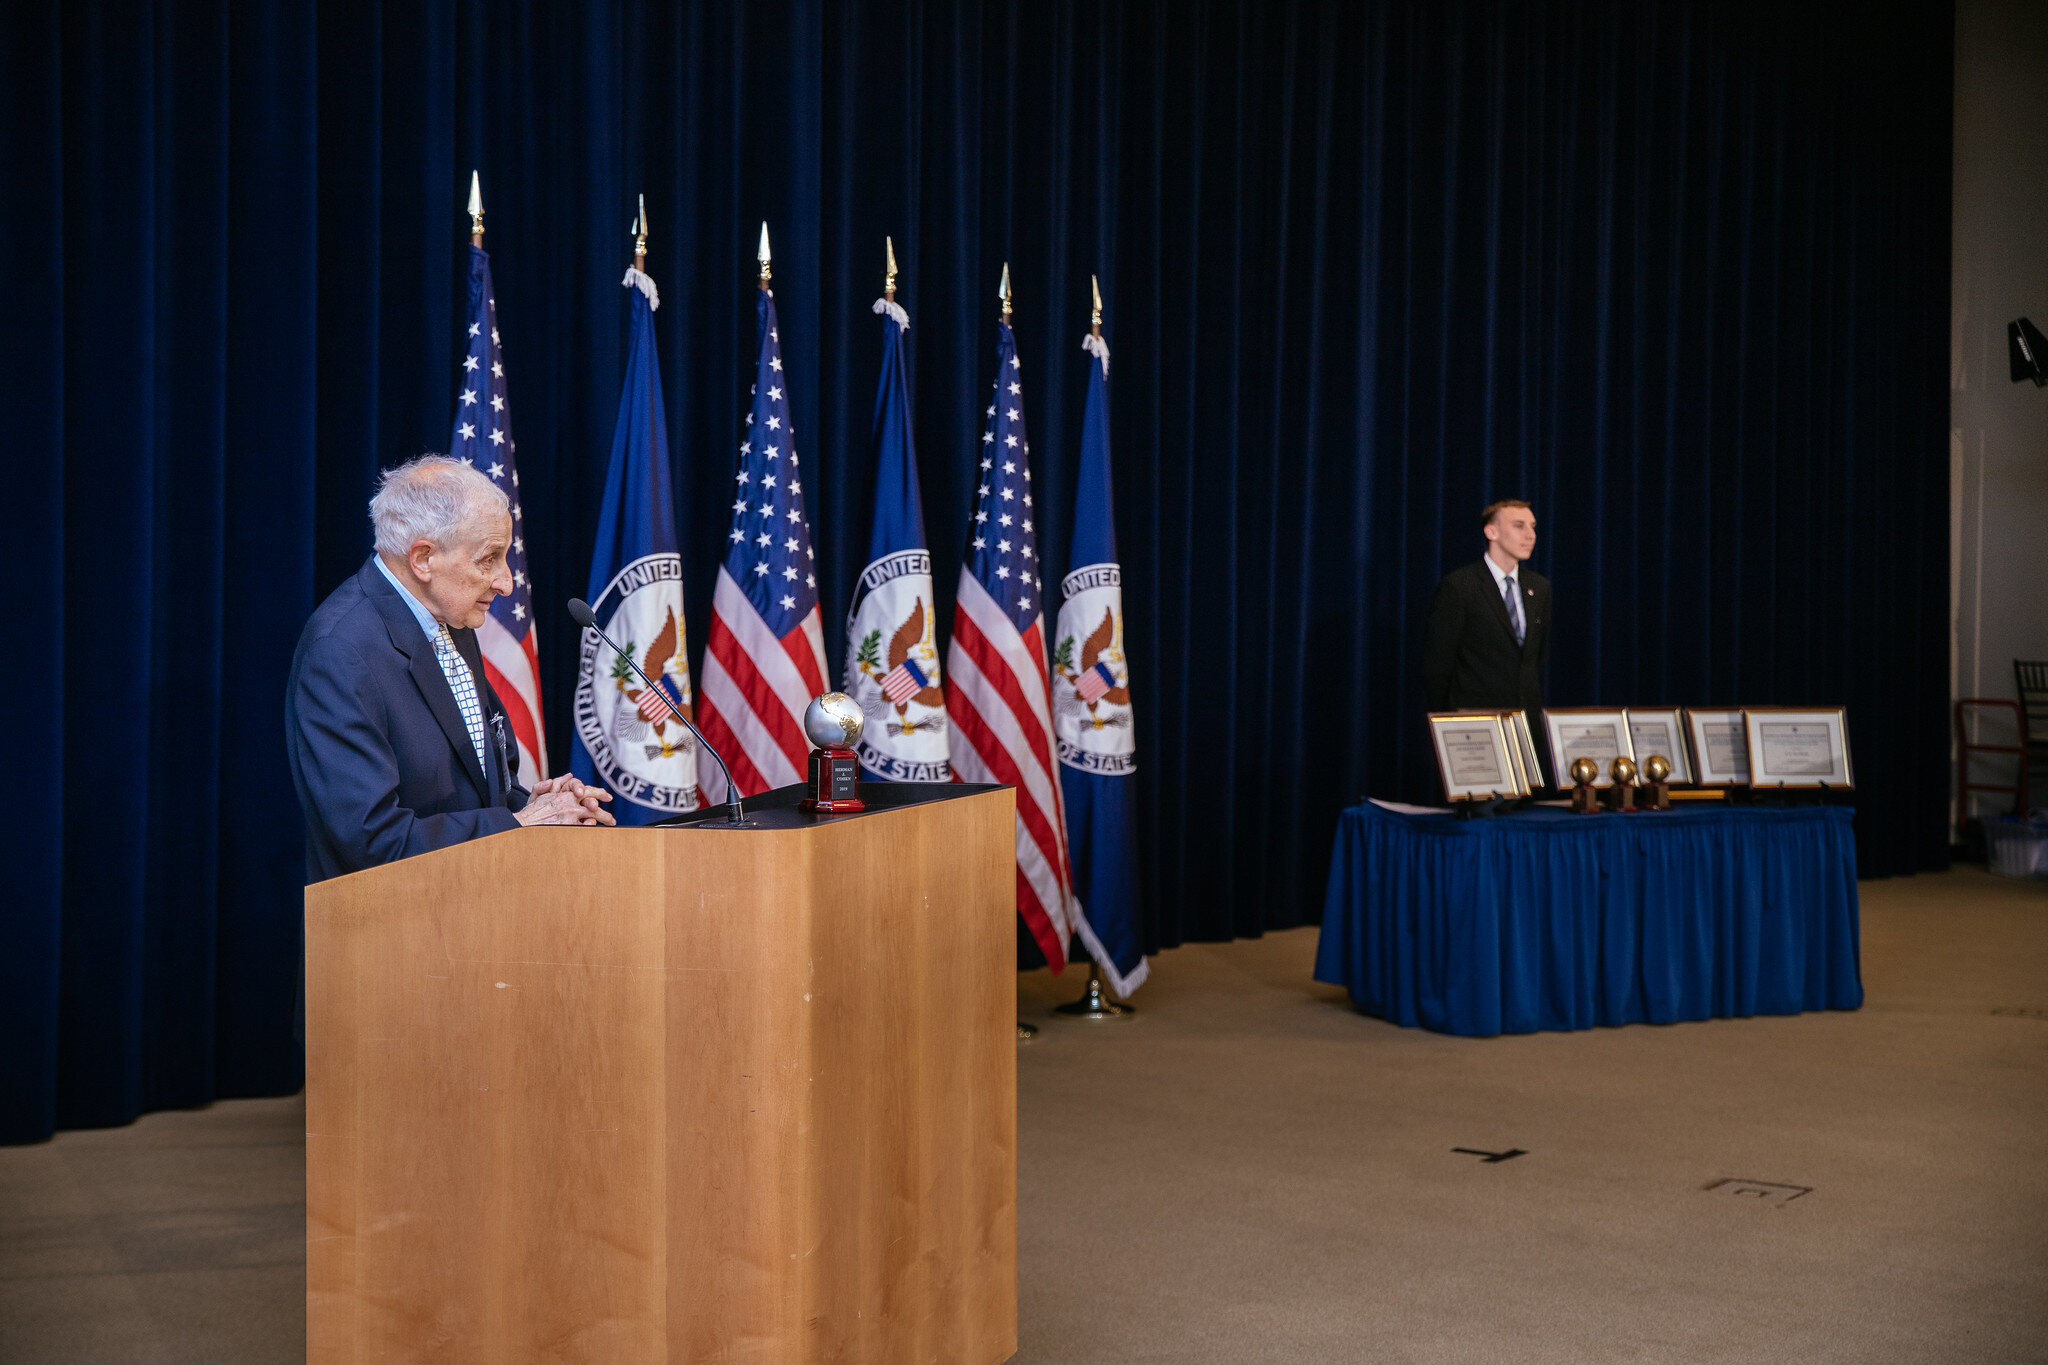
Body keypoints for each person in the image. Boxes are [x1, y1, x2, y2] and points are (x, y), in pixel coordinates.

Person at [287, 455, 612, 883]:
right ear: (423, 559)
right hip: (387, 935)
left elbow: (469, 791)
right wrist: (520, 823)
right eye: (488, 559)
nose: (505, 582)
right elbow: (373, 840)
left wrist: (532, 804)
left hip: (473, 915)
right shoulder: (341, 652)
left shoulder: (449, 618)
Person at [1421, 499, 1551, 718]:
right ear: (1492, 531)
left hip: (1525, 720)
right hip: (1474, 721)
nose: (1530, 535)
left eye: (1533, 526)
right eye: (1519, 526)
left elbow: (1535, 659)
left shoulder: (1539, 588)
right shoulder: (1460, 586)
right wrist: (1448, 720)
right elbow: (1438, 665)